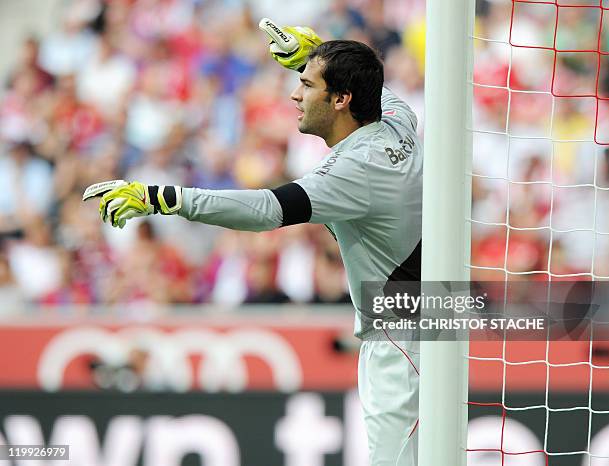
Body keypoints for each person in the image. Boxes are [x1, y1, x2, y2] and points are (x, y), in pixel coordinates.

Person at [84, 23, 422, 466]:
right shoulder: (398, 121)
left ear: (341, 100)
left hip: (398, 337)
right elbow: (379, 90)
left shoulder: (354, 170)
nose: (294, 95)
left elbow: (267, 209)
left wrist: (161, 197)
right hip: (429, 318)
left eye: (306, 84)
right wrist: (312, 52)